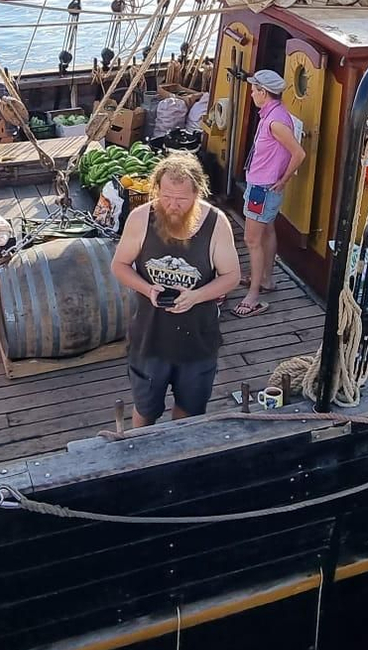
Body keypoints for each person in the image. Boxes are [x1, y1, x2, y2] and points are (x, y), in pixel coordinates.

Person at [111, 151, 241, 426]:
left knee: (189, 413)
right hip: (149, 337)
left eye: (181, 199)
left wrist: (197, 296)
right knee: (145, 411)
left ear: (198, 193)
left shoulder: (216, 223)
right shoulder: (139, 219)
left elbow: (231, 276)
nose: (172, 206)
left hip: (197, 339)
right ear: (156, 189)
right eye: (166, 197)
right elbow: (119, 266)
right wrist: (147, 289)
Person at [236, 68, 305, 317]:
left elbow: (299, 154)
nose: (252, 94)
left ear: (263, 92)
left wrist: (283, 180)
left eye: (254, 90)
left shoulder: (275, 122)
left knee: (251, 240)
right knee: (267, 230)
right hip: (263, 187)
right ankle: (266, 279)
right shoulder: (274, 115)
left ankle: (253, 294)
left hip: (261, 189)